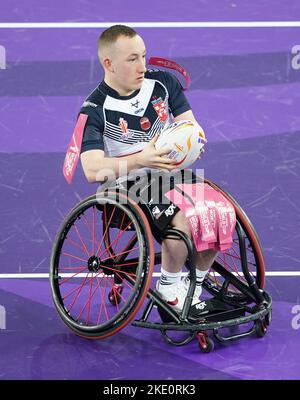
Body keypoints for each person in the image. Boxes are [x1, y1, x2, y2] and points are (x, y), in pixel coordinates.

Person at [79, 24, 218, 314]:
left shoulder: (163, 83)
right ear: (109, 63)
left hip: (169, 174)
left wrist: (192, 142)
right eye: (132, 59)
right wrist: (141, 159)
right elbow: (92, 170)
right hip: (126, 185)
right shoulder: (94, 108)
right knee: (182, 216)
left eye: (143, 56)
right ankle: (169, 287)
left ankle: (193, 285)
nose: (142, 65)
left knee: (217, 212)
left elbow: (189, 125)